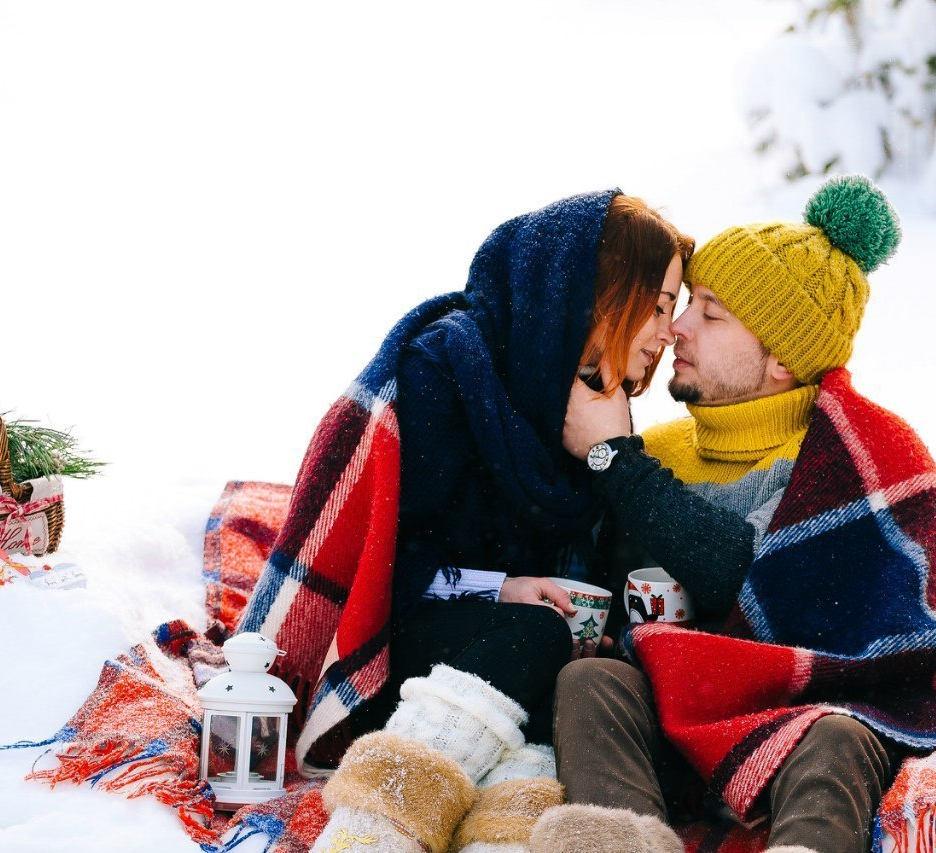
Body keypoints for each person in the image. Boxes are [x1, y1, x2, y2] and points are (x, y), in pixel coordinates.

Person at [532, 176, 936, 853]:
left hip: (810, 707)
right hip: (683, 706)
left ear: (781, 358)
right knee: (591, 683)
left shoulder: (862, 458)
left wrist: (616, 461)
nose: (678, 327)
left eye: (711, 312)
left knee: (838, 734)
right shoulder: (657, 453)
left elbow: (749, 577)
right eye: (689, 301)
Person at [240, 190, 694, 853]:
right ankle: (376, 828)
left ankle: (501, 839)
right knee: (537, 636)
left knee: (568, 668)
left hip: (502, 674)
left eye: (673, 311)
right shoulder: (448, 369)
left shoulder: (597, 409)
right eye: (655, 305)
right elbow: (384, 565)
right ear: (595, 293)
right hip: (388, 653)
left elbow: (611, 567)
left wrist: (612, 459)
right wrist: (496, 587)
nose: (666, 331)